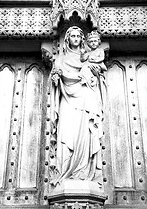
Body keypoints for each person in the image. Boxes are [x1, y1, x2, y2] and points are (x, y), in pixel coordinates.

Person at [50, 26, 106, 188]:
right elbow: (56, 76)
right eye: (72, 36)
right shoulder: (61, 58)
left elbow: (97, 75)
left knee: (85, 135)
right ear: (67, 39)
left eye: (78, 36)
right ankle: (65, 172)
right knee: (67, 134)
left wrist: (94, 74)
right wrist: (56, 78)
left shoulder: (88, 56)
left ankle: (84, 174)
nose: (75, 38)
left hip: (85, 98)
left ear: (82, 39)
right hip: (67, 99)